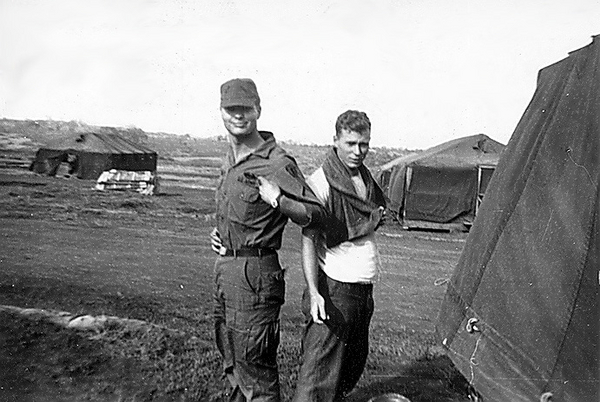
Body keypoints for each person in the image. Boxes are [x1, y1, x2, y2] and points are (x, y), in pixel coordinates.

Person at [210, 78, 325, 402]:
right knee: (232, 362)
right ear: (221, 112)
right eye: (231, 109)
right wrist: (222, 237)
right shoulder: (229, 161)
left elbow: (315, 214)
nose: (238, 116)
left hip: (256, 276)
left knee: (255, 371)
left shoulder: (277, 162)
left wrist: (279, 201)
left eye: (245, 109)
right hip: (226, 269)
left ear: (258, 110)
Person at [293, 110, 387, 402]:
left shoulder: (365, 180)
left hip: (362, 289)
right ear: (335, 141)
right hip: (335, 288)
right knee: (318, 377)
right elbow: (309, 239)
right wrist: (314, 292)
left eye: (364, 144)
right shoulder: (321, 182)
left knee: (348, 370)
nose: (358, 152)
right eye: (350, 144)